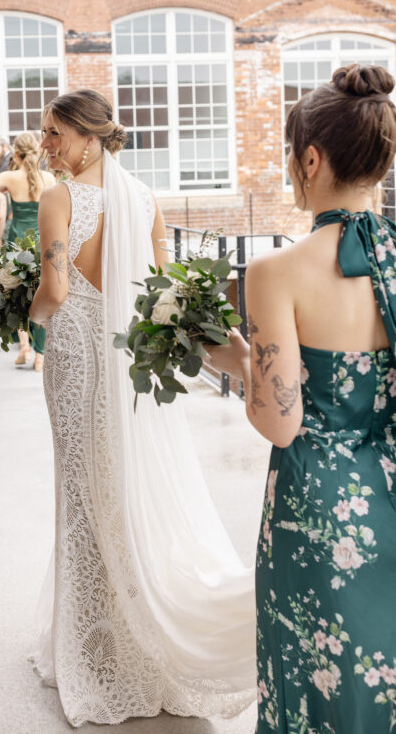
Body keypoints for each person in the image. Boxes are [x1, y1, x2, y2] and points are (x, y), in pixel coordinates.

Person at [28, 89, 256, 726]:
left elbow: (55, 288)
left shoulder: (58, 199)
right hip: (133, 365)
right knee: (123, 484)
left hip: (74, 362)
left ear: (93, 137)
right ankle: (134, 635)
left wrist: (28, 314)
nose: (47, 145)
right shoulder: (146, 199)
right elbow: (168, 295)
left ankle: (96, 647)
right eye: (46, 133)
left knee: (80, 489)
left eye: (57, 135)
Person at [209, 63, 396, 734]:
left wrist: (225, 356)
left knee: (316, 681)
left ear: (309, 158)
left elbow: (279, 421)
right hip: (390, 494)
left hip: (318, 514)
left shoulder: (275, 272)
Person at [0, 132, 55, 372]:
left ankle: (25, 348)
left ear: (15, 153)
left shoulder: (10, 176)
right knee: (39, 295)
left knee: (16, 296)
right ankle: (40, 355)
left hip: (17, 243)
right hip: (40, 243)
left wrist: (4, 186)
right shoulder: (48, 178)